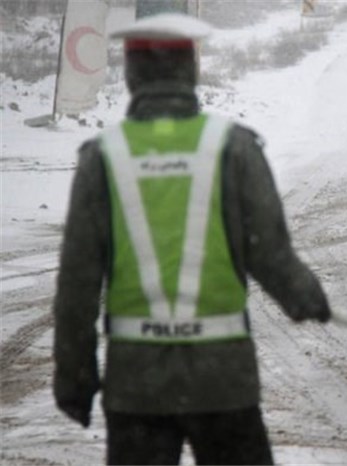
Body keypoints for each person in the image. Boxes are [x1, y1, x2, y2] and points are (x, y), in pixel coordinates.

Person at [52, 12, 331, 465]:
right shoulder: (233, 147)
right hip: (223, 383)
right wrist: (306, 297)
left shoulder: (103, 158)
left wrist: (75, 375)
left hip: (137, 386)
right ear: (191, 71)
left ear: (131, 75)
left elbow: (77, 283)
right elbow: (270, 253)